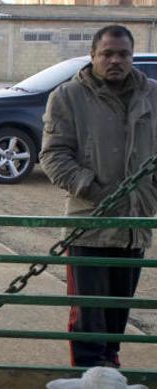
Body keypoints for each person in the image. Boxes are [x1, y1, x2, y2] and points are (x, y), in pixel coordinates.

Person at [40, 24, 157, 368]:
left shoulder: (152, 94)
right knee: (89, 317)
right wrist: (94, 189)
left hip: (135, 225)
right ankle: (89, 381)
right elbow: (53, 156)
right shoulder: (67, 97)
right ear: (92, 56)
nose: (115, 60)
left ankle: (109, 372)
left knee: (118, 313)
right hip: (87, 225)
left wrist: (149, 195)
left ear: (132, 57)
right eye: (107, 54)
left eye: (123, 54)